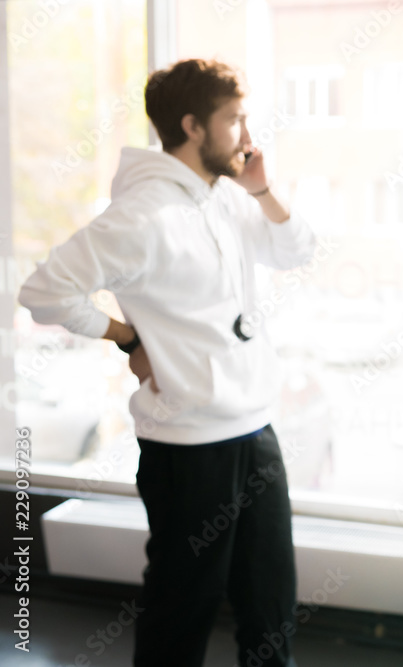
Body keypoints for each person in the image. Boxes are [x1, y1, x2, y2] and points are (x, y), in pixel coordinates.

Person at [19, 59, 316, 667]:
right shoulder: (142, 214)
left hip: (255, 431)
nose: (246, 134)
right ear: (192, 126)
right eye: (233, 120)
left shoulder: (226, 198)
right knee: (183, 611)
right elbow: (44, 292)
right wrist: (127, 339)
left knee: (272, 607)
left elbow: (296, 250)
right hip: (188, 448)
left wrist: (260, 189)